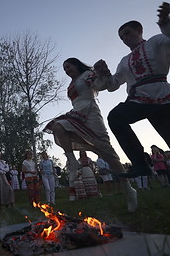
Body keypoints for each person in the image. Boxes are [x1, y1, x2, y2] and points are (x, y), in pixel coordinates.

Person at [94, 2, 170, 205]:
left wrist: (167, 23)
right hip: (141, 99)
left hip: (164, 98)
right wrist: (103, 73)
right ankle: (140, 162)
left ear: (139, 30)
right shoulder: (125, 61)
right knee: (116, 117)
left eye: (128, 33)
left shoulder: (156, 43)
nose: (125, 38)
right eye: (121, 36)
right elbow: (113, 84)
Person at [43, 58, 137, 211]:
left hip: (91, 113)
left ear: (76, 65)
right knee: (58, 126)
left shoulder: (87, 74)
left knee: (106, 151)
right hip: (76, 112)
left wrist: (102, 73)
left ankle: (128, 188)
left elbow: (99, 85)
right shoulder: (71, 84)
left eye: (68, 66)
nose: (67, 70)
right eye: (64, 69)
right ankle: (72, 161)